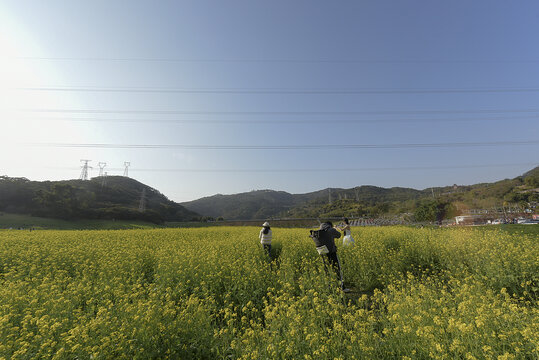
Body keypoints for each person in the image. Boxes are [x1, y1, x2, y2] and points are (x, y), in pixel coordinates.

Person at [310, 221, 350, 292]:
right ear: (330, 225)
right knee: (337, 269)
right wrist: (334, 229)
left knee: (327, 270)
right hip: (332, 252)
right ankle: (341, 287)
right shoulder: (330, 230)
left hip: (323, 253)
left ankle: (329, 287)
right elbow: (339, 235)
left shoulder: (319, 231)